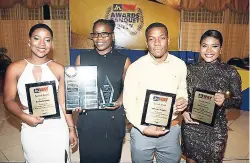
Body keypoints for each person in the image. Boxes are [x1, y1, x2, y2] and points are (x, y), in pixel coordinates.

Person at [3, 23, 78, 163]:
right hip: (30, 126)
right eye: (37, 38)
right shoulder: (15, 68)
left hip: (57, 127)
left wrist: (71, 128)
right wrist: (23, 116)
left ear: (52, 44)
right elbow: (8, 100)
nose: (42, 44)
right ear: (29, 41)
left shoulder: (59, 69)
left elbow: (63, 102)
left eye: (47, 40)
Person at [123, 22, 188, 163]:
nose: (157, 43)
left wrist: (183, 100)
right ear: (147, 43)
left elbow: (182, 89)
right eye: (152, 39)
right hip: (142, 132)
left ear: (168, 40)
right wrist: (143, 128)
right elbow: (128, 103)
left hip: (171, 129)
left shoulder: (180, 65)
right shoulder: (135, 68)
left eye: (162, 38)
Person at [74, 19, 131, 163]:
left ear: (113, 36)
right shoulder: (82, 58)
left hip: (113, 119)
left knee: (111, 158)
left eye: (104, 34)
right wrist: (76, 100)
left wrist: (120, 100)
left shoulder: (124, 61)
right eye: (96, 34)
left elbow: (130, 87)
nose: (99, 38)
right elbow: (76, 88)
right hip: (89, 119)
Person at [181, 29, 242, 163]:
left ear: (221, 49)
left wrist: (224, 101)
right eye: (204, 45)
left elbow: (237, 101)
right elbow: (183, 95)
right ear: (200, 48)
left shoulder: (230, 72)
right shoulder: (189, 69)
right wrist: (183, 112)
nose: (209, 50)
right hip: (192, 126)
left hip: (216, 130)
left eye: (214, 46)